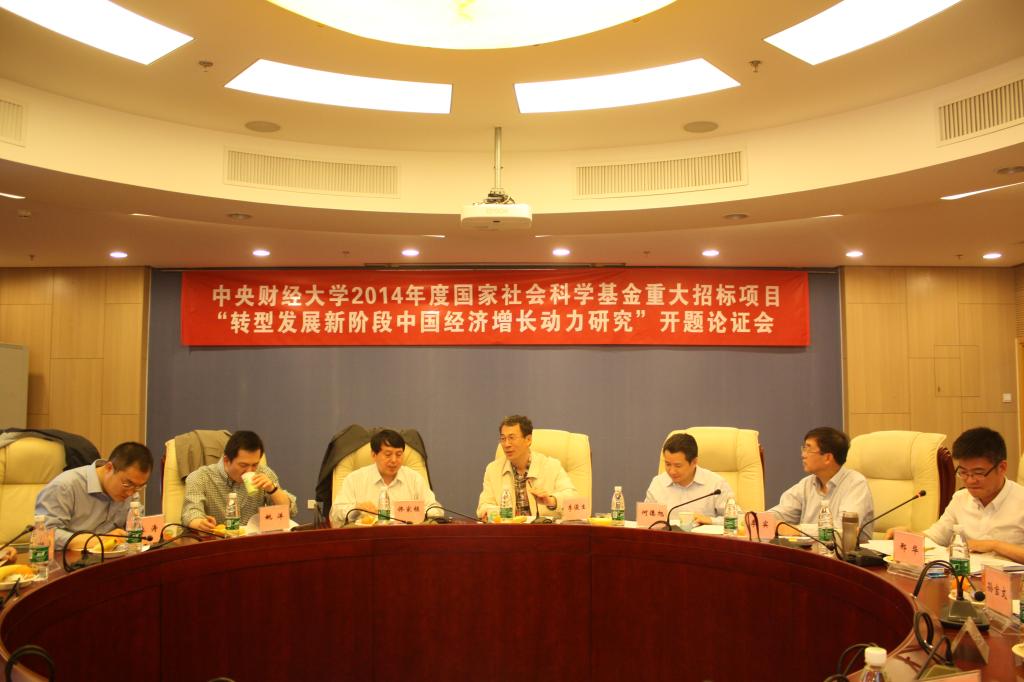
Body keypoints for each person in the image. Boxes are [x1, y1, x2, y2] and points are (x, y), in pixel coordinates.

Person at [886, 427, 1024, 561]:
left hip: (1008, 576)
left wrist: (994, 545)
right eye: (963, 472)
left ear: (1002, 468)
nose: (969, 480)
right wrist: (909, 535)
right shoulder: (960, 498)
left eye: (978, 473)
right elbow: (936, 538)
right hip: (964, 574)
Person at [35, 441, 153, 550]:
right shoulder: (65, 486)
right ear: (109, 468)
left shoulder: (132, 492)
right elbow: (46, 534)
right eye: (127, 484)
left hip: (112, 558)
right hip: (71, 560)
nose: (131, 493)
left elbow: (137, 528)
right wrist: (98, 540)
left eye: (139, 486)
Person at [769, 427, 874, 542]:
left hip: (846, 552)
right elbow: (782, 512)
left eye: (808, 449)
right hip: (809, 550)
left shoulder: (856, 483)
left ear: (827, 458)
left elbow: (843, 529)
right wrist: (757, 519)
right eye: (803, 448)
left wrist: (797, 530)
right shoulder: (806, 484)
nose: (803, 455)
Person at [181, 430, 296, 532]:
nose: (250, 470)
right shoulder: (201, 477)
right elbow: (191, 512)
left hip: (254, 540)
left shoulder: (264, 473)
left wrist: (273, 489)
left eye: (255, 465)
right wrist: (200, 523)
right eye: (243, 465)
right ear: (226, 460)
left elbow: (288, 512)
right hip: (219, 540)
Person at [329, 429, 440, 526]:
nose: (394, 460)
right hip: (368, 538)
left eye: (399, 454)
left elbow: (435, 508)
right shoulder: (355, 479)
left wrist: (421, 512)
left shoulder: (414, 478)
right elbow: (335, 513)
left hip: (406, 536)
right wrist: (356, 508)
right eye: (388, 454)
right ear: (374, 455)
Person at [477, 415, 577, 520]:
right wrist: (501, 513)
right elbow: (483, 506)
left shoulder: (552, 466)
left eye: (511, 438)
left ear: (528, 440)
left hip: (543, 529)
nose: (506, 444)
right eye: (503, 438)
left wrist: (551, 501)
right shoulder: (493, 469)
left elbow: (573, 499)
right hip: (508, 528)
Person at [644, 433, 734, 526]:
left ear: (694, 462)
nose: (672, 471)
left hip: (700, 535)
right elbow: (645, 521)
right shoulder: (657, 483)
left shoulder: (716, 484)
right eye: (667, 464)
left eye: (678, 466)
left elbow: (738, 520)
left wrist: (710, 520)